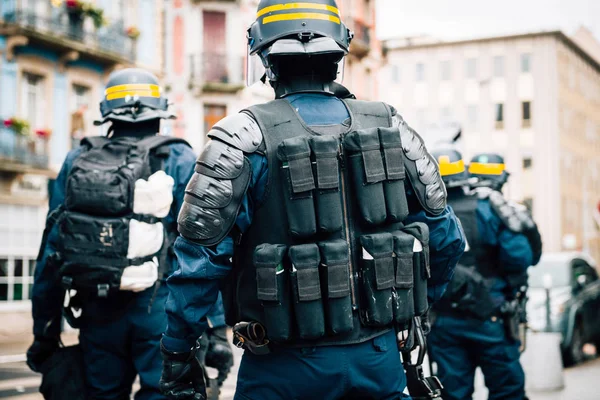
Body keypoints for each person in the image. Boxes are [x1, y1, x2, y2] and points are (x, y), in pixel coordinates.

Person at [159, 1, 466, 399]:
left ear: (265, 58)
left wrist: (178, 350)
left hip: (282, 366)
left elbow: (198, 266)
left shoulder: (239, 136)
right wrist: (411, 308)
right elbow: (446, 240)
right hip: (380, 358)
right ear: (338, 53)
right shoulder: (391, 125)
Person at [27, 68, 197, 400]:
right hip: (160, 309)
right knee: (162, 392)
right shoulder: (180, 157)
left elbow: (52, 248)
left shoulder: (79, 158)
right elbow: (197, 249)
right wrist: (213, 326)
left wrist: (44, 329)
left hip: (97, 308)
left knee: (103, 393)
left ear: (106, 114)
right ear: (161, 112)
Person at [427, 149, 542, 400]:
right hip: (491, 317)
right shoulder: (489, 208)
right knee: (507, 391)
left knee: (453, 393)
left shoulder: (427, 216)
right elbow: (521, 258)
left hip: (444, 321)